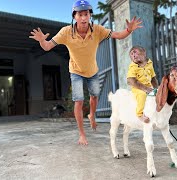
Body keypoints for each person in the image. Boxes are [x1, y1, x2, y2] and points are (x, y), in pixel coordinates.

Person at [29, 0, 142, 145]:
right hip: (75, 71)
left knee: (94, 98)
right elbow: (47, 46)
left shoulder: (98, 30)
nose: (83, 18)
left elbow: (118, 35)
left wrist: (129, 30)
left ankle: (92, 116)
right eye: (80, 14)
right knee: (79, 101)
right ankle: (82, 134)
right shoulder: (66, 32)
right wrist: (41, 41)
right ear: (74, 16)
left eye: (86, 14)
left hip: (92, 71)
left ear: (90, 15)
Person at [127, 46, 158, 123]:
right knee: (142, 95)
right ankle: (140, 114)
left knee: (157, 95)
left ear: (144, 53)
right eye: (131, 54)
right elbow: (130, 80)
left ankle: (155, 114)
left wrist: (156, 88)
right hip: (137, 88)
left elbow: (153, 78)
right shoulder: (133, 66)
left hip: (149, 86)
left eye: (135, 52)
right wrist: (145, 89)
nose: (133, 55)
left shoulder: (149, 64)